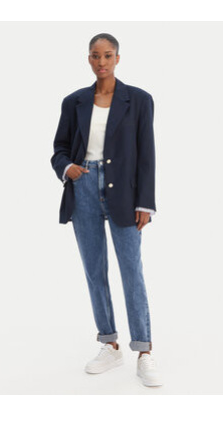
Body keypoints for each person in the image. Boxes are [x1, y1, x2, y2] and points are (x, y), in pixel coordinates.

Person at [50, 33, 162, 387]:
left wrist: (145, 202)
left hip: (124, 194)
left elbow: (146, 153)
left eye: (108, 55)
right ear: (88, 59)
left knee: (132, 271)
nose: (102, 62)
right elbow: (59, 148)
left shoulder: (138, 99)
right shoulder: (75, 101)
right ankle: (109, 344)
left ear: (117, 58)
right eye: (95, 56)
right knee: (94, 271)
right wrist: (68, 168)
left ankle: (143, 350)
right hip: (83, 188)